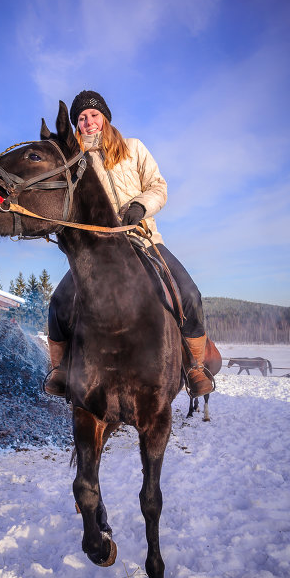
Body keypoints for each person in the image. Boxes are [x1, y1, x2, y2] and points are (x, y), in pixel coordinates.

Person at [45, 89, 213, 398]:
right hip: (96, 249)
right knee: (58, 304)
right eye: (81, 118)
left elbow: (158, 186)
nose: (88, 121)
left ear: (105, 118)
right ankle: (60, 369)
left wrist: (140, 206)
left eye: (94, 114)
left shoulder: (133, 148)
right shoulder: (75, 161)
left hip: (142, 239)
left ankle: (195, 366)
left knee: (189, 294)